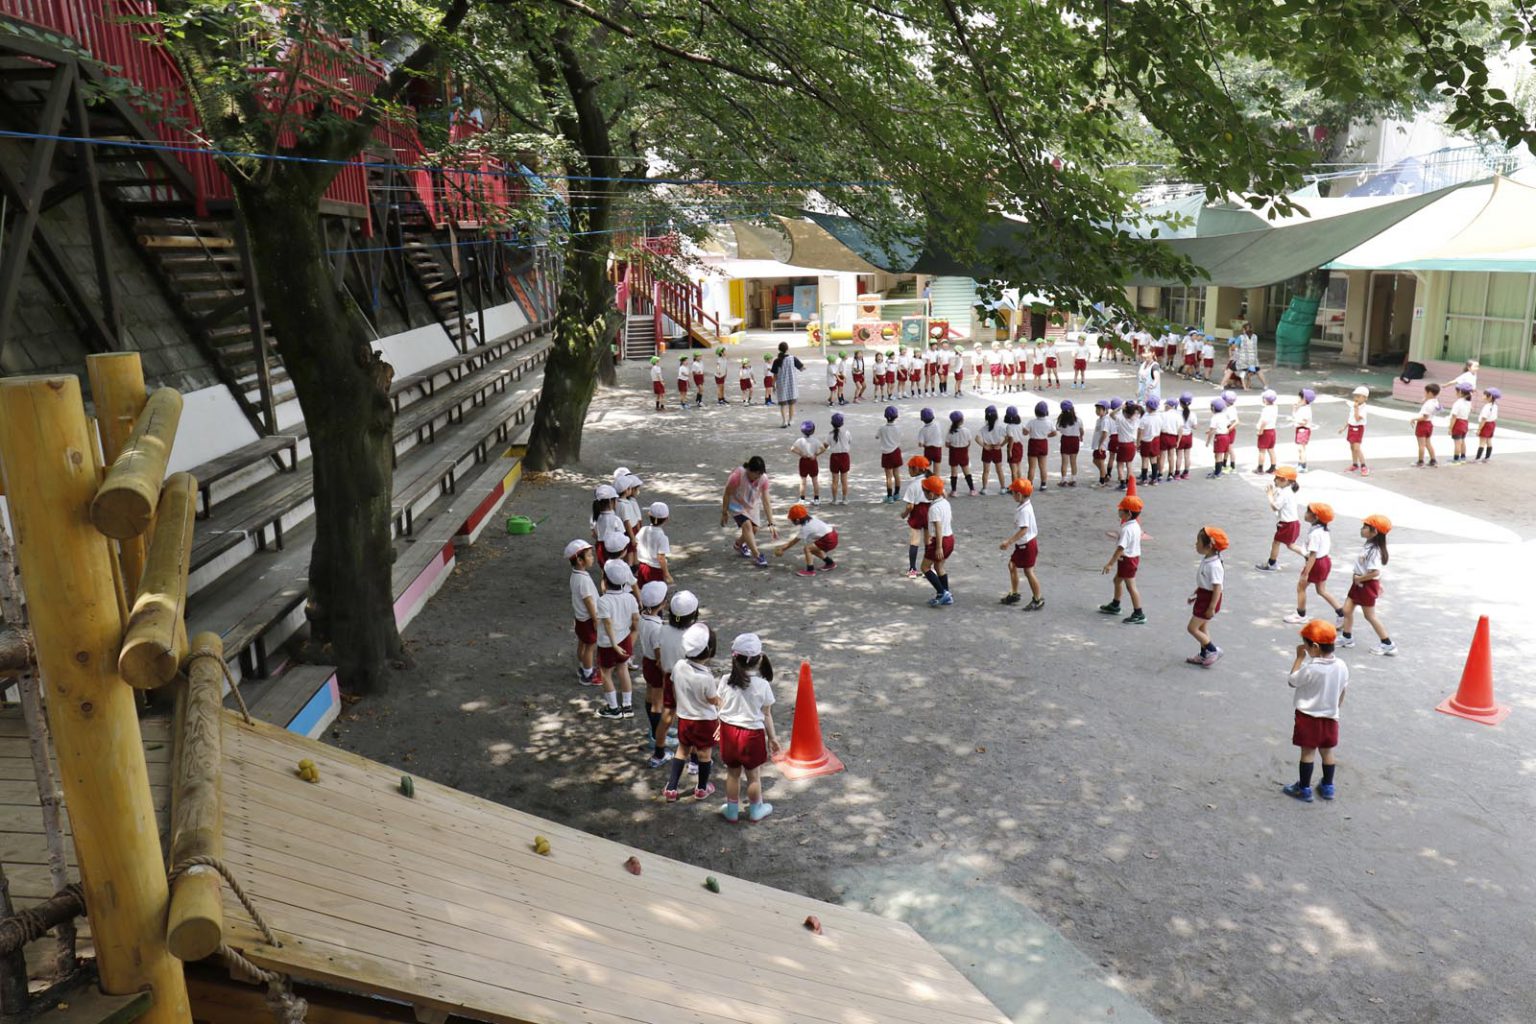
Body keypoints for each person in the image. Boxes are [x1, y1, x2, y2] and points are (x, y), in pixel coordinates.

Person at [1283, 619, 1349, 803]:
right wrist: (1335, 709)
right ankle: (1328, 786)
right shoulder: (1342, 665)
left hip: (1308, 717)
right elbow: (1343, 689)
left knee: (1308, 752)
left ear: (1314, 647)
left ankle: (1304, 789)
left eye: (1305, 646)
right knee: (1327, 752)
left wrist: (1298, 658)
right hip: (1330, 716)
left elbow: (1291, 681)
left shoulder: (1310, 668)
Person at [718, 633, 781, 824]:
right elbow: (767, 714)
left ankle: (731, 809)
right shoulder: (762, 685)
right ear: (759, 658)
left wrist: (719, 724)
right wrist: (772, 738)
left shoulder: (725, 680)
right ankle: (756, 809)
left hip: (729, 732)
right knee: (754, 776)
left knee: (732, 774)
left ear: (734, 657)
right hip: (751, 735)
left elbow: (719, 706)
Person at [664, 623, 720, 802]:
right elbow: (712, 699)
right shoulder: (706, 677)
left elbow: (674, 688)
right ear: (709, 650)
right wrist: (722, 702)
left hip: (684, 718)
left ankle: (671, 788)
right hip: (704, 721)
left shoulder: (679, 666)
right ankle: (702, 788)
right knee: (704, 754)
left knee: (682, 750)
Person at [653, 590, 701, 773]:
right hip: (689, 679)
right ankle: (695, 760)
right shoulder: (695, 634)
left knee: (667, 714)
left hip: (670, 676)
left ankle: (659, 752)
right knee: (693, 718)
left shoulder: (663, 629)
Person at [1339, 514, 1395, 657]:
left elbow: (1375, 571)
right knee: (1347, 610)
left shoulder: (1374, 551)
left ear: (1374, 531)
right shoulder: (1369, 545)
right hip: (1359, 583)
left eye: (1365, 527)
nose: (1362, 529)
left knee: (1369, 616)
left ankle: (1387, 644)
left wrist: (1360, 579)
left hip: (1365, 585)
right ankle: (1347, 637)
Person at [1284, 502, 1344, 624]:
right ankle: (1341, 613)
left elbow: (1312, 554)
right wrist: (1293, 547)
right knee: (1321, 590)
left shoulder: (1315, 534)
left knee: (1301, 587)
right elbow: (1311, 552)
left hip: (1315, 564)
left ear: (1315, 517)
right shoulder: (1322, 530)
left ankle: (1301, 614)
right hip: (1325, 561)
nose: (1305, 514)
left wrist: (1306, 573)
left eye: (1308, 512)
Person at [594, 560, 639, 720]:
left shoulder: (603, 601)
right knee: (623, 669)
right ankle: (627, 705)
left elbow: (607, 623)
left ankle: (613, 708)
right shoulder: (630, 598)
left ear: (605, 580)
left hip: (608, 644)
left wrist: (613, 644)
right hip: (625, 639)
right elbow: (635, 620)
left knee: (605, 673)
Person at [636, 580, 671, 767]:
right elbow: (660, 657)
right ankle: (659, 737)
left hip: (646, 661)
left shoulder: (643, 617)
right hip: (656, 666)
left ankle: (654, 730)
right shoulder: (657, 628)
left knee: (650, 695)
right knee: (658, 702)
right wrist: (667, 672)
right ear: (662, 603)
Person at [720, 456, 778, 568]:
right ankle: (758, 556)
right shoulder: (737, 476)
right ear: (749, 470)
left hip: (751, 505)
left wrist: (771, 523)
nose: (758, 477)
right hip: (736, 504)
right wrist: (724, 512)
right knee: (747, 526)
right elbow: (727, 493)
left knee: (754, 529)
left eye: (760, 474)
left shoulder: (763, 478)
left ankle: (739, 544)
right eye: (757, 474)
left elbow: (766, 501)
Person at [1099, 494, 1145, 624]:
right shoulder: (1134, 525)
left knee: (1131, 586)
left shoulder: (1127, 529)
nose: (1118, 511)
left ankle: (1139, 613)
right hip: (1131, 558)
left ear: (1128, 513)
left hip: (1127, 560)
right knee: (1117, 580)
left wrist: (1110, 564)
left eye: (1121, 509)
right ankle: (1115, 604)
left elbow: (1120, 549)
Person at [998, 478, 1044, 609]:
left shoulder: (1024, 510)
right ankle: (1014, 593)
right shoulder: (1025, 505)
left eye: (1013, 492)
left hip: (1027, 545)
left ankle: (1038, 598)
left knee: (1028, 572)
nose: (1012, 495)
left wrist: (1009, 542)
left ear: (1019, 494)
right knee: (1012, 565)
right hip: (1023, 545)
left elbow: (1024, 530)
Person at [1186, 526, 1228, 667]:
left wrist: (1211, 607)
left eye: (1198, 542)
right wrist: (1196, 594)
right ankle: (1204, 655)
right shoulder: (1208, 559)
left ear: (1209, 546)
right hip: (1203, 596)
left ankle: (1212, 650)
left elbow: (1217, 588)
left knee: (1192, 628)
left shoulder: (1215, 565)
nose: (1196, 544)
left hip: (1209, 600)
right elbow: (1205, 581)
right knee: (1203, 628)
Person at [566, 539, 600, 686]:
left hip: (580, 618)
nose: (592, 558)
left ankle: (583, 667)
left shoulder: (575, 575)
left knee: (582, 643)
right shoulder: (583, 580)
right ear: (580, 560)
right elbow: (589, 601)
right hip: (587, 618)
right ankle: (588, 673)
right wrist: (595, 618)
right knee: (590, 647)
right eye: (590, 555)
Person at [1256, 466, 1302, 571]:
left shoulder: (1285, 493)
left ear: (1284, 480)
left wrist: (1269, 495)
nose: (1274, 480)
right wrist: (1274, 491)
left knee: (1276, 542)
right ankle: (1308, 555)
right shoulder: (1288, 490)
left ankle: (1272, 563)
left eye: (1277, 478)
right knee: (1290, 545)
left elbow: (1275, 507)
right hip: (1292, 523)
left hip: (1287, 524)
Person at [920, 475, 955, 606]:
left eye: (925, 491)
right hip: (950, 538)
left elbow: (938, 527)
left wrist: (938, 546)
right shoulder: (945, 502)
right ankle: (946, 594)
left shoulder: (934, 508)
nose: (924, 493)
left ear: (932, 493)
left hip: (941, 541)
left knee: (925, 567)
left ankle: (942, 592)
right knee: (939, 566)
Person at [776, 503, 838, 576]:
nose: (791, 521)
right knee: (813, 549)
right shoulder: (811, 519)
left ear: (797, 520)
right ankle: (830, 563)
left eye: (792, 520)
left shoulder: (806, 528)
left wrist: (783, 549)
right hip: (833, 535)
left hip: (828, 539)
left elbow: (793, 542)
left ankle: (810, 570)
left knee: (807, 549)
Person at [900, 455, 932, 578]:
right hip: (930, 512)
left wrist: (904, 514)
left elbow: (910, 506)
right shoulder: (931, 480)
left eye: (910, 468)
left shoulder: (913, 485)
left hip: (917, 512)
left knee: (914, 541)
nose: (908, 471)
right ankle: (928, 567)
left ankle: (912, 569)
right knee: (928, 541)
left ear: (916, 469)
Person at [636, 502, 673, 585]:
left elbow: (636, 542)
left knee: (642, 591)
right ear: (666, 519)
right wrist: (666, 574)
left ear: (649, 515)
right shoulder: (662, 538)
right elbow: (661, 558)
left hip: (642, 566)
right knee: (656, 594)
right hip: (655, 570)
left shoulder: (643, 529)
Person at [790, 420, 826, 504]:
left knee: (803, 481)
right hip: (812, 461)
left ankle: (802, 499)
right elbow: (823, 448)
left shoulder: (800, 440)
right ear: (813, 431)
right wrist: (816, 454)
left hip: (804, 461)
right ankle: (816, 499)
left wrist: (801, 453)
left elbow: (792, 448)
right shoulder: (815, 441)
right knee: (815, 480)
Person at [1025, 400, 1056, 491]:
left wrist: (1029, 431)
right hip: (1043, 443)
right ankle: (1043, 484)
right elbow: (1054, 433)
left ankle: (1029, 484)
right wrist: (1047, 435)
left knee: (1032, 467)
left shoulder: (1032, 422)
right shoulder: (1049, 422)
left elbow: (1025, 432)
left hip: (1033, 443)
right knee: (1043, 466)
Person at [976, 405, 1007, 496]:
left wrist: (984, 445)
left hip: (987, 449)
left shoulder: (984, 428)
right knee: (999, 470)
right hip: (997, 449)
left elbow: (977, 438)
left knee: (986, 470)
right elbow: (1007, 437)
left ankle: (984, 488)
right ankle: (1002, 487)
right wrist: (1001, 445)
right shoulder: (1000, 427)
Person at [946, 410, 976, 497]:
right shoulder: (966, 430)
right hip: (963, 452)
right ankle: (972, 489)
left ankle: (954, 491)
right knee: (966, 471)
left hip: (953, 452)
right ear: (962, 420)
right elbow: (969, 442)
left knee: (954, 472)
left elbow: (947, 444)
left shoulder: (950, 432)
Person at [877, 406, 904, 502]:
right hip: (896, 451)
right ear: (896, 416)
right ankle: (897, 494)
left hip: (886, 453)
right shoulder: (898, 428)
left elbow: (877, 436)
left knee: (888, 476)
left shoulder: (882, 428)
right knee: (896, 473)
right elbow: (900, 437)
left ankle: (889, 496)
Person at [772, 342, 803, 423]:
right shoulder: (793, 358)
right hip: (791, 384)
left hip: (781, 384)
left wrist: (773, 385)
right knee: (791, 404)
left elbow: (775, 375)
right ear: (787, 349)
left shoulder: (777, 361)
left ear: (779, 349)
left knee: (783, 405)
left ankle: (784, 421)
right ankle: (790, 420)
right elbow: (802, 368)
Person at [1342, 385, 1370, 475]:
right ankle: (1354, 464)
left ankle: (1364, 466)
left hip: (1358, 428)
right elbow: (1351, 418)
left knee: (1357, 448)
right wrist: (1344, 427)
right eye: (1355, 396)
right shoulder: (1354, 406)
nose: (1356, 398)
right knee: (1351, 447)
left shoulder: (1363, 409)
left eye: (1358, 396)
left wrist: (1356, 408)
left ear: (1365, 398)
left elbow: (1357, 418)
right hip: (1351, 427)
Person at [1412, 382, 1441, 467]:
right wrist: (1426, 399)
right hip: (1430, 424)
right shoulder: (1436, 402)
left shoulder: (1428, 404)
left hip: (1423, 424)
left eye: (1425, 392)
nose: (1424, 393)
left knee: (1421, 445)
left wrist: (1413, 419)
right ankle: (1433, 460)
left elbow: (1424, 416)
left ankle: (1420, 461)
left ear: (1430, 393)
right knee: (1428, 443)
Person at [825, 412, 851, 505]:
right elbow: (849, 441)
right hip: (844, 456)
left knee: (834, 480)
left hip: (834, 457)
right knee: (844, 479)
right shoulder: (847, 432)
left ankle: (834, 499)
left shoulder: (830, 434)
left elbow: (825, 444)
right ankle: (845, 499)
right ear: (842, 423)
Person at [1137, 395, 1163, 485]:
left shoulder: (1144, 418)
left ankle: (1144, 479)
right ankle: (1154, 479)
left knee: (1145, 460)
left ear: (1148, 407)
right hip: (1156, 439)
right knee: (1154, 459)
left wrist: (1138, 443)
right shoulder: (1159, 417)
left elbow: (1140, 431)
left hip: (1146, 441)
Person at [1057, 399, 1082, 487]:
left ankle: (1063, 480)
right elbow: (1081, 430)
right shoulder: (1078, 420)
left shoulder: (1061, 420)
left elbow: (1058, 429)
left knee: (1064, 462)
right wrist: (1081, 436)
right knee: (1073, 461)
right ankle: (1073, 479)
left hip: (1065, 440)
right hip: (1075, 440)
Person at [1204, 398, 1231, 479]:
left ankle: (1218, 473)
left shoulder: (1214, 418)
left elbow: (1212, 430)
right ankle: (1217, 470)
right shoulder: (1224, 416)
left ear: (1213, 408)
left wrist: (1208, 441)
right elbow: (1227, 425)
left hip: (1219, 437)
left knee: (1218, 455)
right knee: (1218, 455)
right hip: (1226, 436)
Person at [1254, 390, 1279, 473]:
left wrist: (1260, 430)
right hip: (1272, 430)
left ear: (1265, 400)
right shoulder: (1275, 407)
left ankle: (1260, 468)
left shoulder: (1266, 410)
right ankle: (1273, 467)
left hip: (1265, 431)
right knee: (1271, 449)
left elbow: (1264, 421)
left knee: (1262, 450)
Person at [1174, 392, 1197, 480]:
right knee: (1187, 455)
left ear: (1180, 402)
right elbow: (1195, 426)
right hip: (1188, 436)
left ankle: (1177, 474)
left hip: (1180, 436)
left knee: (1179, 456)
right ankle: (1186, 473)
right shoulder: (1193, 414)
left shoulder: (1177, 413)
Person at [1448, 383, 1473, 464]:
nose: (1456, 393)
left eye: (1457, 391)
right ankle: (1463, 457)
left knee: (1457, 442)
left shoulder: (1458, 403)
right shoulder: (1468, 402)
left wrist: (1450, 428)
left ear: (1461, 392)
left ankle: (1456, 458)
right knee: (1462, 441)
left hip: (1458, 423)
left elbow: (1454, 416)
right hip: (1465, 422)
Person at [1292, 388, 1315, 472]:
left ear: (1304, 399)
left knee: (1301, 448)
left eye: (1299, 397)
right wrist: (1294, 410)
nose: (1297, 399)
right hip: (1300, 429)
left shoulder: (1306, 409)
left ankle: (1303, 466)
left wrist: (1295, 419)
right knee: (1300, 448)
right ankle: (1300, 463)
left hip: (1303, 430)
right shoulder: (1303, 407)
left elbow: (1303, 422)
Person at [1475, 387, 1501, 461]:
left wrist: (1479, 429)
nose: (1482, 397)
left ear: (1490, 397)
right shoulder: (1495, 406)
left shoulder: (1486, 407)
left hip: (1486, 424)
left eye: (1484, 395)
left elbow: (1484, 419)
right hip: (1492, 424)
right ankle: (1487, 457)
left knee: (1482, 442)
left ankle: (1477, 458)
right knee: (1489, 441)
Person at [1237, 322, 1267, 389]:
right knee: (1258, 371)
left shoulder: (1241, 337)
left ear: (1244, 330)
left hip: (1244, 358)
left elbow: (1235, 346)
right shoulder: (1255, 337)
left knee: (1244, 372)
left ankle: (1245, 387)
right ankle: (1265, 385)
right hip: (1253, 358)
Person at [1090, 399, 1112, 486]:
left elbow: (1105, 433)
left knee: (1101, 462)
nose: (1097, 411)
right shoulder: (1099, 419)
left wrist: (1100, 444)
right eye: (1096, 409)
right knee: (1095, 460)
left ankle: (1102, 480)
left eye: (1099, 409)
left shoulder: (1105, 420)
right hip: (1097, 445)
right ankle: (1105, 475)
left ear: (1106, 410)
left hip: (1101, 445)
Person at [1004, 405, 1026, 485]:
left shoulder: (1009, 427)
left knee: (1013, 470)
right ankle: (1020, 485)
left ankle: (1015, 486)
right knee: (1018, 467)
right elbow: (1025, 431)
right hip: (1020, 446)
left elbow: (1011, 439)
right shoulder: (1020, 424)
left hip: (1013, 447)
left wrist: (1009, 450)